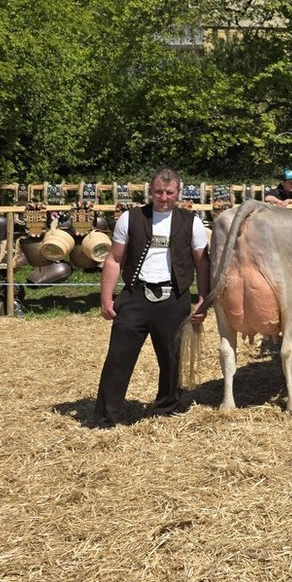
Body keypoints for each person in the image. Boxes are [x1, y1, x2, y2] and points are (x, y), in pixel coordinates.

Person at [93, 168, 210, 428]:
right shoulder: (130, 218)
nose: (163, 197)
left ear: (178, 193)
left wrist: (203, 298)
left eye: (169, 192)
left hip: (174, 297)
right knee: (118, 357)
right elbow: (114, 259)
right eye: (158, 192)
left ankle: (167, 408)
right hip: (135, 295)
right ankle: (106, 416)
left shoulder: (192, 222)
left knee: (171, 358)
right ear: (150, 191)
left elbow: (202, 263)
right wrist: (106, 298)